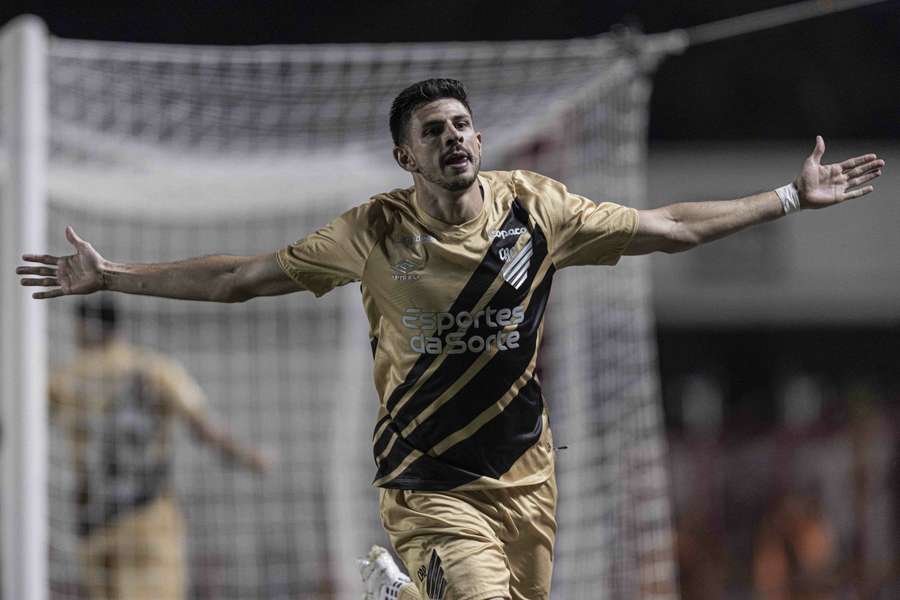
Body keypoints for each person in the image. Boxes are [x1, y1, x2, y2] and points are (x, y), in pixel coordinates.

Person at [18, 78, 884, 600]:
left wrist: (787, 199)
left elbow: (668, 225)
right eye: (433, 131)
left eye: (463, 125)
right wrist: (116, 275)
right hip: (428, 485)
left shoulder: (537, 210)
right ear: (407, 159)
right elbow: (240, 278)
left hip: (527, 480)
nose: (455, 138)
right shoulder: (372, 232)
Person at [48, 296, 269, 600]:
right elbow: (204, 428)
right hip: (148, 521)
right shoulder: (154, 370)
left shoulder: (64, 379)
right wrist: (251, 458)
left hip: (93, 523)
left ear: (79, 329)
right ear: (118, 329)